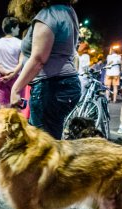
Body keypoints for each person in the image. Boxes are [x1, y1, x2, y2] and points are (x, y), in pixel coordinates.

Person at [9, 0, 81, 139]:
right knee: (50, 143)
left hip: (50, 87)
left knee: (43, 149)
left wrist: (16, 89)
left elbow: (38, 59)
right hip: (65, 84)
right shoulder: (67, 10)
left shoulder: (48, 15)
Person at [0, 16, 23, 109]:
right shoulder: (20, 43)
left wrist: (4, 72)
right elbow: (21, 62)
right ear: (12, 28)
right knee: (17, 112)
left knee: (4, 112)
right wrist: (12, 74)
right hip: (17, 79)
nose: (19, 29)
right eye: (17, 27)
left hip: (1, 78)